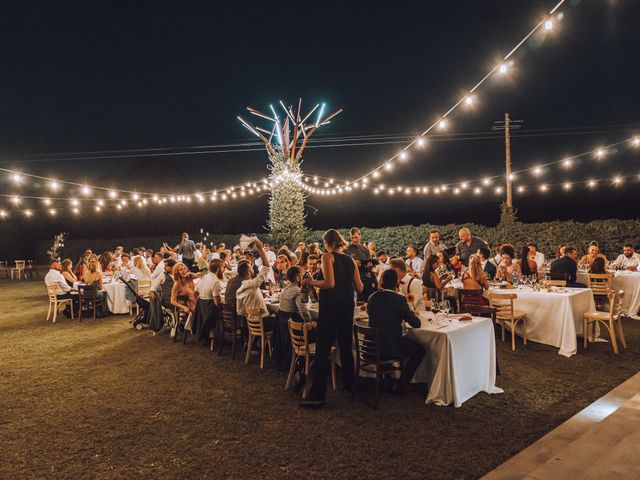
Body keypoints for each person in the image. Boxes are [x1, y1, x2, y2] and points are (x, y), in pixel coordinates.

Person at [300, 229, 363, 409]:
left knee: (322, 350)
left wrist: (309, 282)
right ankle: (351, 386)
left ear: (327, 242)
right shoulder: (350, 260)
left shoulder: (327, 257)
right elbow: (359, 287)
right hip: (347, 306)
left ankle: (318, 395)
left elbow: (329, 283)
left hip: (331, 306)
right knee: (345, 346)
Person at [367, 269, 425, 386]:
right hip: (390, 347)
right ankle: (402, 383)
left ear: (382, 282)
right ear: (397, 283)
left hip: (372, 346)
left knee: (385, 335)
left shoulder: (372, 297)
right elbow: (416, 323)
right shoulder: (398, 299)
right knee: (420, 350)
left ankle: (387, 379)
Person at [235, 240, 274, 328]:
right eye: (250, 268)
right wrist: (260, 249)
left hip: (250, 324)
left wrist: (250, 314)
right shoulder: (253, 284)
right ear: (249, 272)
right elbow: (266, 267)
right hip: (263, 323)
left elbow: (239, 311)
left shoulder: (239, 290)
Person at [193, 258, 224, 344]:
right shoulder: (215, 281)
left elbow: (195, 293)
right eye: (223, 267)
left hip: (201, 306)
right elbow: (216, 302)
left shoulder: (203, 277)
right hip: (210, 309)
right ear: (218, 269)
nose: (223, 269)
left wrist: (199, 302)